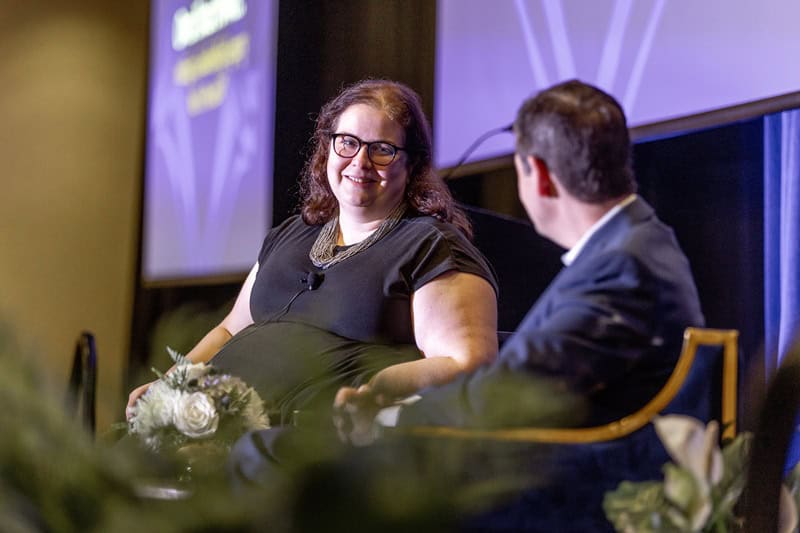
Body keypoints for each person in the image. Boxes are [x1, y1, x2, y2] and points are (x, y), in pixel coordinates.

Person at [336, 78, 705, 437]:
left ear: (539, 175)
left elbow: (511, 393)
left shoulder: (621, 267)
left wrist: (391, 417)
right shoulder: (642, 242)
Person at [127, 79, 499, 425]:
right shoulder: (291, 233)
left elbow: (467, 361)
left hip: (305, 445)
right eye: (348, 142)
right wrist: (169, 384)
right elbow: (228, 330)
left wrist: (376, 393)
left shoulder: (430, 245)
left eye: (382, 150)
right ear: (328, 148)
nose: (360, 162)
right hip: (205, 424)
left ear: (412, 163)